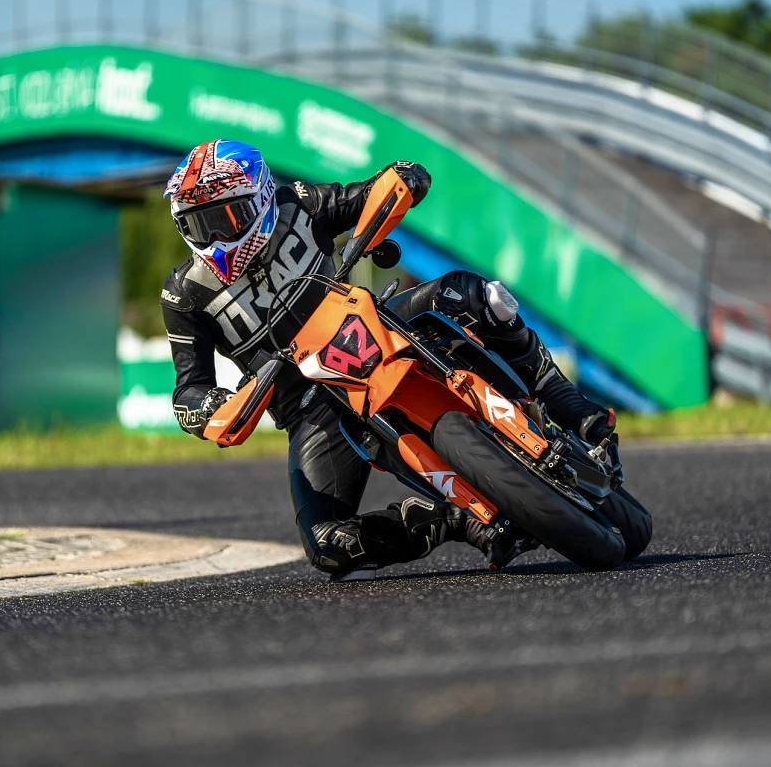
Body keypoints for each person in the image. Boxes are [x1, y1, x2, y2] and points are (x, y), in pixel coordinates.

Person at [161, 139, 617, 578]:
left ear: (260, 198)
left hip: (371, 324)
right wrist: (214, 407)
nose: (217, 238)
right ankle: (451, 519)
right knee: (327, 547)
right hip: (309, 404)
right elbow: (188, 389)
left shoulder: (296, 204)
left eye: (225, 218)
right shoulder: (183, 294)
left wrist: (401, 179)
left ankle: (565, 401)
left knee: (471, 294)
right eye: (201, 226)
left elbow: (368, 193)